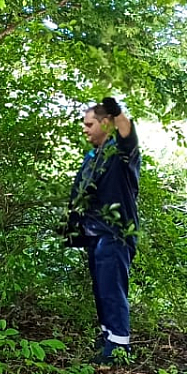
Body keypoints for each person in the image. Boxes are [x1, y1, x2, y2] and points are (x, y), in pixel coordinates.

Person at [65, 97, 140, 360]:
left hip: (115, 234)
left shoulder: (120, 154)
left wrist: (117, 112)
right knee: (101, 290)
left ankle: (119, 348)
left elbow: (127, 133)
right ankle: (108, 339)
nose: (84, 129)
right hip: (94, 234)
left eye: (89, 124)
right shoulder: (94, 156)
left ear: (105, 124)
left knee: (112, 290)